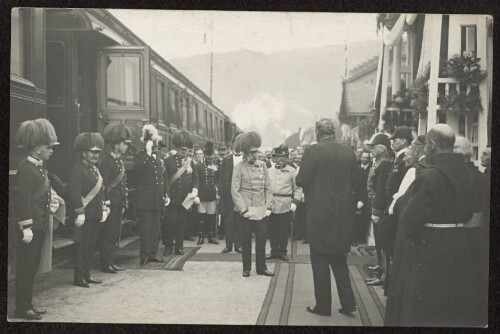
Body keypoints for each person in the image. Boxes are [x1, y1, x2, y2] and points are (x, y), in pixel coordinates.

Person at [385, 124, 481, 327]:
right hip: (459, 247)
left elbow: (410, 220)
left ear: (432, 144)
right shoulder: (467, 173)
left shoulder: (429, 175)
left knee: (424, 311)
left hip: (430, 248)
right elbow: (470, 210)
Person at [296, 118, 358, 316]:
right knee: (340, 260)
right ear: (334, 132)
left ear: (318, 132)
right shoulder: (348, 151)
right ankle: (348, 303)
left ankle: (323, 306)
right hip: (342, 215)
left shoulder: (313, 151)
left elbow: (301, 180)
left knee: (320, 260)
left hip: (320, 214)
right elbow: (356, 181)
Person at [13, 119, 59, 320]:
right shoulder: (26, 169)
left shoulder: (38, 168)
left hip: (39, 225)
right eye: (48, 147)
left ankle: (27, 303)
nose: (51, 150)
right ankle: (22, 308)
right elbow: (22, 200)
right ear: (37, 148)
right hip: (31, 227)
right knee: (25, 269)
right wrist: (26, 226)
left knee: (32, 268)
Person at [231, 131, 274, 277]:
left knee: (261, 239)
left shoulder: (262, 165)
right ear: (244, 153)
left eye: (256, 152)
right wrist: (243, 210)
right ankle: (246, 268)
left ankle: (261, 268)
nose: (254, 155)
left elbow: (268, 188)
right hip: (246, 211)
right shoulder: (239, 167)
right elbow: (235, 191)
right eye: (251, 153)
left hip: (261, 209)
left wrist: (268, 206)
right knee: (246, 240)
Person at [71, 132, 107, 288]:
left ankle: (87, 274)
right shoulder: (78, 169)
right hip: (84, 215)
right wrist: (80, 212)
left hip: (95, 214)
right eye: (93, 152)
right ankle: (79, 277)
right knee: (82, 246)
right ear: (84, 152)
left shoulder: (95, 170)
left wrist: (104, 208)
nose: (96, 155)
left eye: (98, 152)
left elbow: (101, 191)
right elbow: (74, 192)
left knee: (91, 245)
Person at [99, 123, 132, 274]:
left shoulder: (118, 161)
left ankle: (112, 261)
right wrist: (106, 204)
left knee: (114, 234)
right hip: (110, 203)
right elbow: (104, 185)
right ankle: (106, 263)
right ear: (116, 144)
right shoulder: (106, 162)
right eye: (124, 144)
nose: (126, 147)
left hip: (118, 203)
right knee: (107, 234)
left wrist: (123, 202)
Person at [134, 124, 168, 265]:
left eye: (156, 143)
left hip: (157, 199)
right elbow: (138, 172)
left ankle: (153, 253)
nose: (155, 145)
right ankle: (144, 255)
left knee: (156, 228)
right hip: (145, 200)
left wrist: (166, 193)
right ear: (147, 142)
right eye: (152, 142)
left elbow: (163, 176)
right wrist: (147, 154)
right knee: (145, 228)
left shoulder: (160, 156)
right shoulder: (140, 155)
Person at [164, 131, 199, 255]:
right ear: (176, 147)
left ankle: (179, 247)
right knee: (170, 224)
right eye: (181, 149)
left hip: (185, 199)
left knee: (181, 225)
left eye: (186, 149)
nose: (184, 151)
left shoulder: (191, 162)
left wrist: (195, 190)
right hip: (173, 199)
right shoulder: (168, 161)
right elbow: (165, 180)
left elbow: (195, 178)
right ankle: (168, 247)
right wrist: (167, 195)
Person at [266, 145, 302, 261]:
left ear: (287, 158)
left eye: (283, 157)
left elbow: (297, 189)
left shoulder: (292, 171)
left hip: (285, 205)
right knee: (272, 230)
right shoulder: (268, 171)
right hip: (271, 205)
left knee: (283, 230)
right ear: (274, 158)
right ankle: (274, 251)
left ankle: (282, 252)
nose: (280, 159)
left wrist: (295, 203)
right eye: (278, 157)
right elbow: (265, 188)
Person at [365, 133, 392, 285]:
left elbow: (381, 189)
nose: (372, 150)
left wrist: (376, 210)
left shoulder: (385, 163)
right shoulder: (378, 162)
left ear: (382, 148)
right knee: (378, 239)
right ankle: (380, 265)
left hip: (379, 207)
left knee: (382, 240)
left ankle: (383, 274)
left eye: (374, 147)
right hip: (374, 203)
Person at [219, 133, 243, 254]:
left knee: (239, 220)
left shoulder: (246, 159)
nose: (237, 146)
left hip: (241, 195)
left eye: (240, 143)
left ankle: (238, 245)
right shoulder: (226, 160)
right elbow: (221, 179)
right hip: (228, 196)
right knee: (228, 221)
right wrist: (222, 195)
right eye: (236, 143)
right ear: (233, 144)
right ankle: (229, 245)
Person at [195, 141, 220, 245]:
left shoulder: (217, 166)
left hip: (212, 194)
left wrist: (218, 189)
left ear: (214, 155)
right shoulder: (199, 166)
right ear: (204, 155)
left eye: (211, 155)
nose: (209, 157)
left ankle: (211, 236)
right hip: (202, 194)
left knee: (211, 217)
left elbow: (218, 180)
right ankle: (201, 236)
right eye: (208, 155)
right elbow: (196, 180)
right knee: (202, 216)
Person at [353, 150, 372, 245]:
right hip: (349, 199)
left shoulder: (359, 170)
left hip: (358, 198)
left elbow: (362, 186)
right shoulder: (346, 169)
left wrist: (360, 199)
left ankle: (357, 238)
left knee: (358, 219)